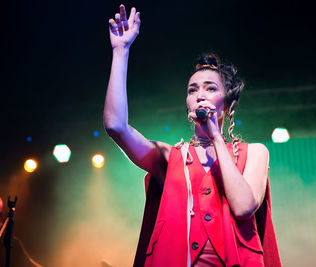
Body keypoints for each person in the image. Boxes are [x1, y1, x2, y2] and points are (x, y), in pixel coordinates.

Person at [104, 4, 281, 267]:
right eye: (192, 89)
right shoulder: (170, 157)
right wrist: (121, 52)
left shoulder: (254, 152)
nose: (200, 94)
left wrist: (216, 137)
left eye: (210, 88)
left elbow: (244, 207)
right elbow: (116, 126)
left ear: (228, 105)